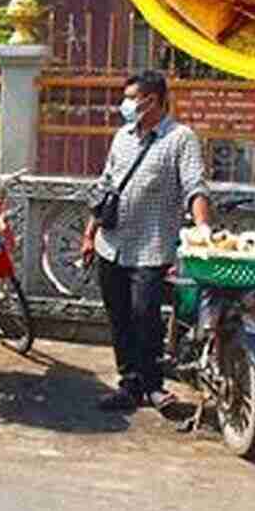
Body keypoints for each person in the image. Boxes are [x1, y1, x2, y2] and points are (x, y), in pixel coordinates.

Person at [81, 71, 211, 412]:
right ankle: (129, 384)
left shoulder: (181, 139)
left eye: (130, 98)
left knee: (145, 315)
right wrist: (90, 231)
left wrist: (202, 228)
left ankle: (153, 385)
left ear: (151, 101)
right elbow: (105, 186)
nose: (125, 105)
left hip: (152, 247)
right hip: (112, 243)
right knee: (119, 315)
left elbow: (194, 186)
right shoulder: (122, 137)